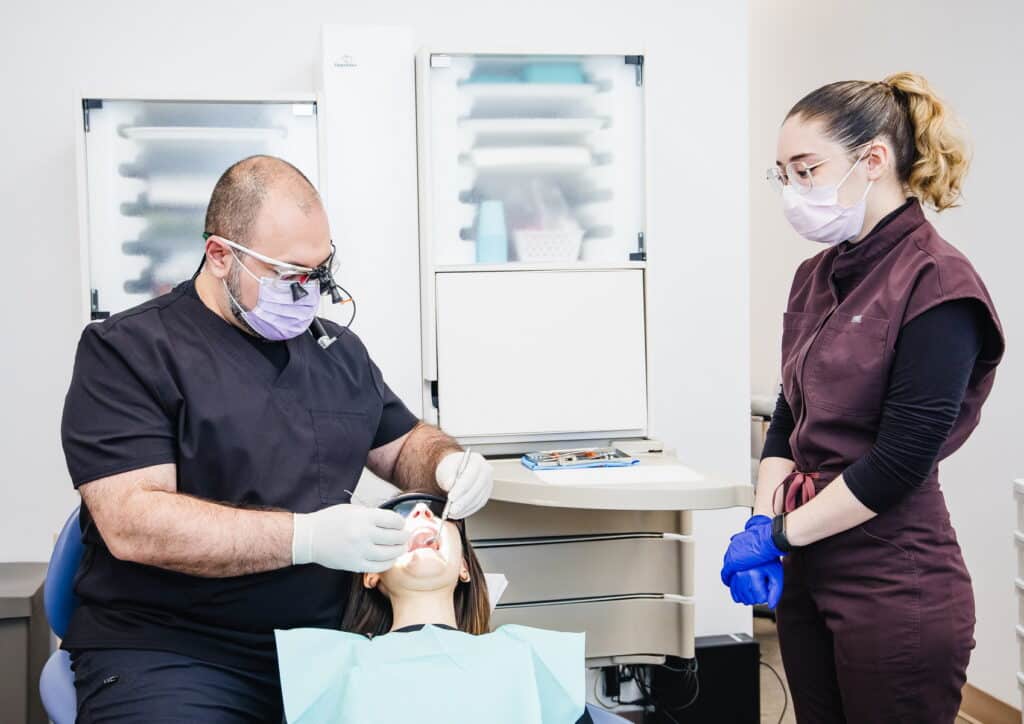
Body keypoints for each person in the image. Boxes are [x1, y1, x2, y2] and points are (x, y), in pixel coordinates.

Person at [60, 155, 494, 722]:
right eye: (291, 274)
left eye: (321, 270)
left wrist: (447, 465)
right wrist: (305, 537)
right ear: (220, 255)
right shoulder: (129, 351)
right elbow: (132, 523)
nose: (311, 290)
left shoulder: (335, 352)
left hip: (330, 646)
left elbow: (403, 443)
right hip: (172, 650)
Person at [720, 73, 1005, 722]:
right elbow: (789, 416)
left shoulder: (938, 284)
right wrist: (763, 524)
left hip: (893, 578)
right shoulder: (816, 275)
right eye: (782, 174)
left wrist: (782, 533)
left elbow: (899, 462)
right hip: (808, 568)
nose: (793, 190)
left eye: (806, 169)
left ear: (873, 160)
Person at [275, 493, 593, 723]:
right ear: (371, 573)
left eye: (438, 513)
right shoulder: (329, 670)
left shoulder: (531, 657)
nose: (424, 514)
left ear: (464, 568)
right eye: (400, 513)